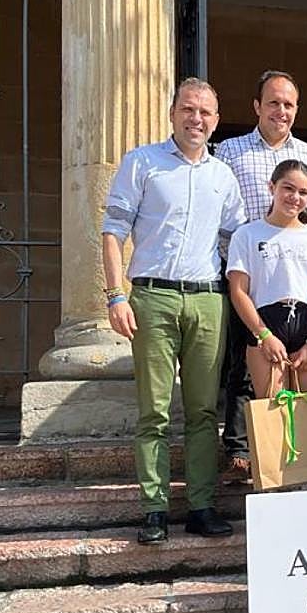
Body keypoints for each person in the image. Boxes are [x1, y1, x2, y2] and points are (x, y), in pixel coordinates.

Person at [101, 77, 244, 545]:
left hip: (207, 299)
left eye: (205, 112)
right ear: (172, 113)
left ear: (216, 121)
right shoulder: (142, 162)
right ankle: (155, 509)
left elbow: (238, 240)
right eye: (188, 109)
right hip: (153, 298)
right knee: (155, 411)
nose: (196, 119)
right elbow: (113, 231)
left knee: (203, 411)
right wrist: (115, 295)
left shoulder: (223, 177)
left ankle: (201, 506)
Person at [215, 70, 307, 481]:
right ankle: (239, 449)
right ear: (257, 106)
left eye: (289, 104)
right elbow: (219, 210)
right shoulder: (231, 150)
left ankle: (297, 463)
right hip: (244, 269)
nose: (281, 111)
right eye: (274, 102)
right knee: (241, 366)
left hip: (294, 273)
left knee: (297, 376)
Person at [226, 159, 307, 403]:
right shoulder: (246, 234)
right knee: (273, 412)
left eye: (303, 192)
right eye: (288, 188)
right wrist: (264, 335)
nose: (295, 197)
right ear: (272, 187)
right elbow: (239, 291)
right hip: (266, 326)